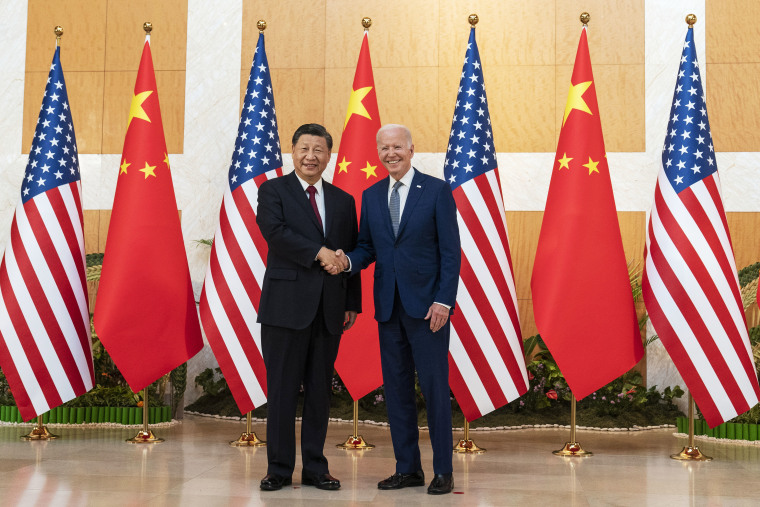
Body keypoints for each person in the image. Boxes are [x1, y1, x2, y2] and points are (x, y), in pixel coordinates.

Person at [331, 123, 461, 495]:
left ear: (411, 149)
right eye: (385, 148)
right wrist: (347, 261)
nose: (391, 153)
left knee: (435, 389)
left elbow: (451, 253)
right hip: (388, 309)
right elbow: (368, 248)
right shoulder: (371, 196)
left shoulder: (436, 190)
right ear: (379, 152)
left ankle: (443, 470)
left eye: (398, 147)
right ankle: (408, 469)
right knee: (398, 390)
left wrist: (443, 301)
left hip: (428, 310)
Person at [256, 123, 360, 491]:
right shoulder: (273, 191)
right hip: (285, 308)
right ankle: (279, 469)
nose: (311, 156)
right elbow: (275, 233)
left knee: (319, 391)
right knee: (282, 390)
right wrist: (319, 253)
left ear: (329, 156)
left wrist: (351, 303)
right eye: (304, 148)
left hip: (330, 309)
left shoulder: (343, 201)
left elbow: (350, 253)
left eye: (319, 150)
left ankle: (316, 468)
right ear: (293, 151)